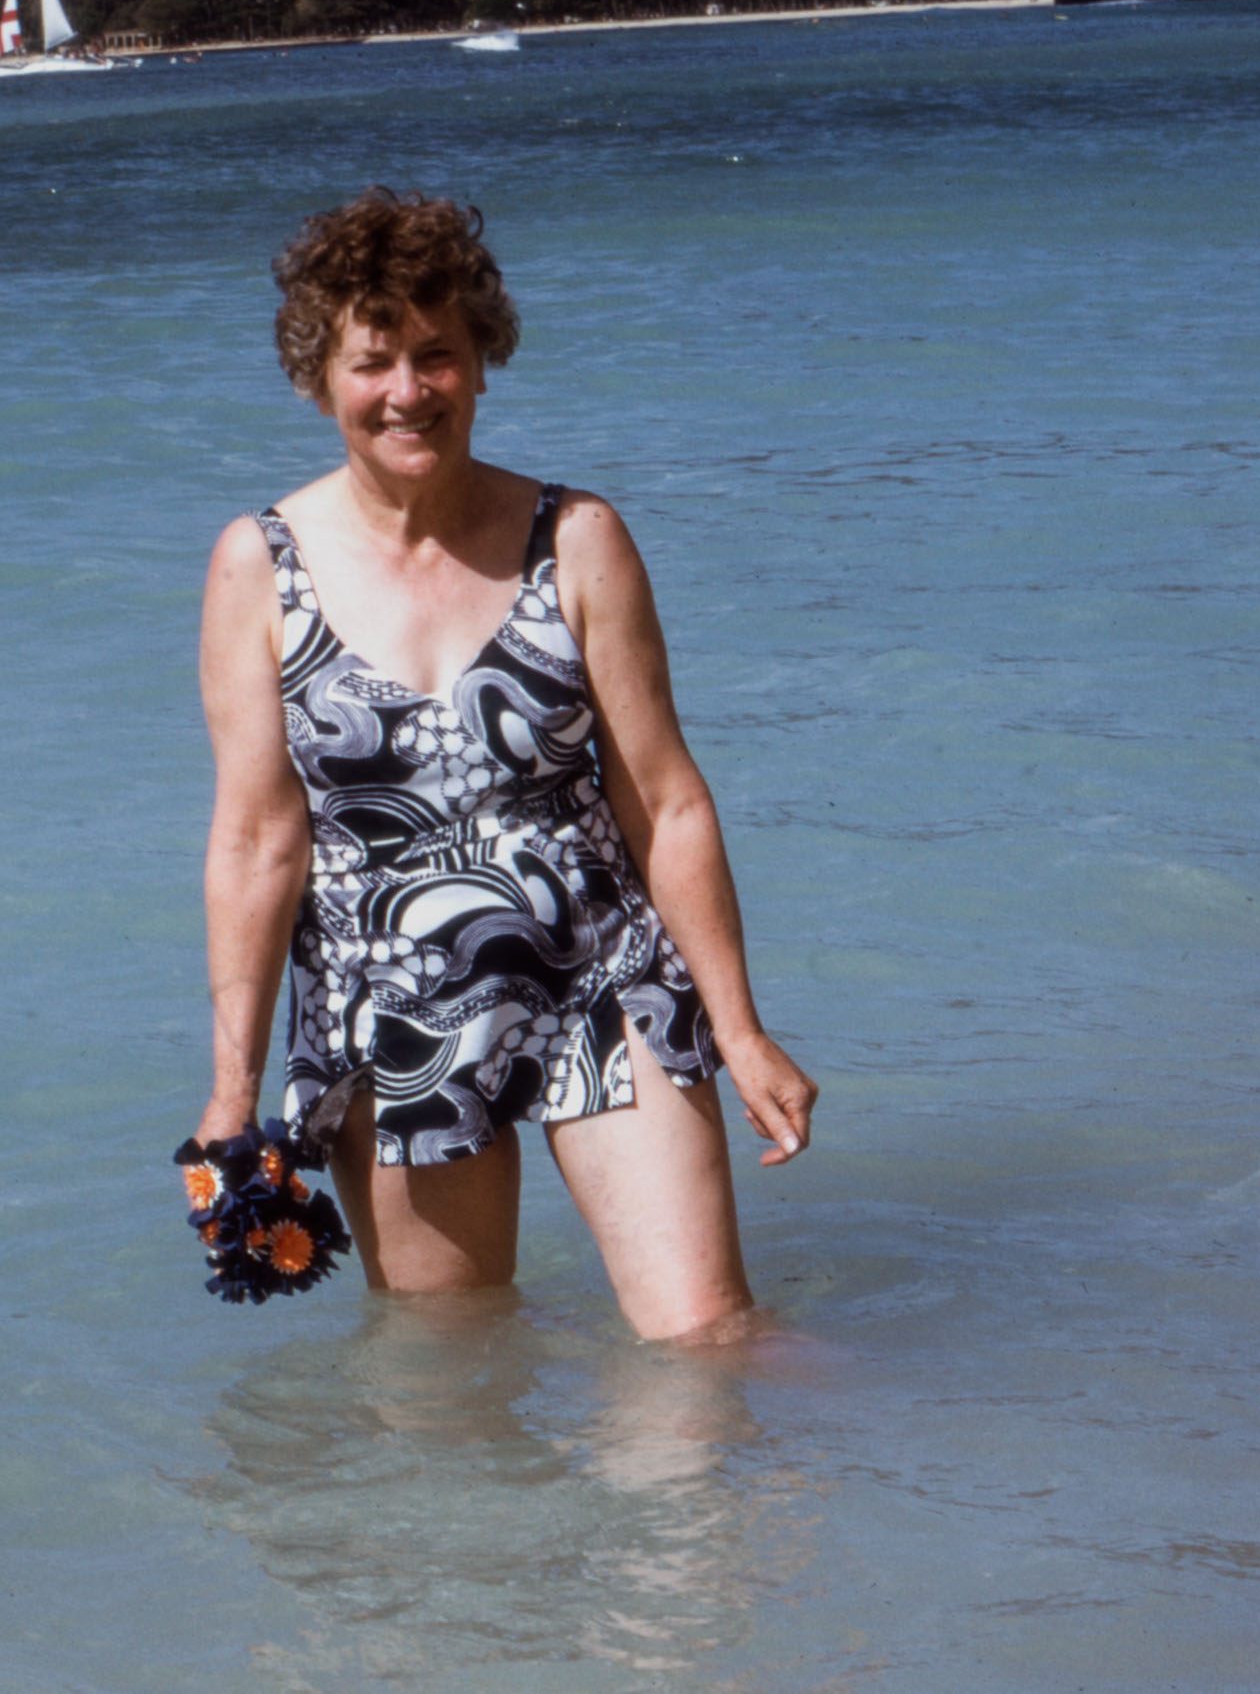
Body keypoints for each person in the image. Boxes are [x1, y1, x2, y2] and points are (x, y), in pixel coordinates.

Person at [194, 189, 817, 1343]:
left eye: (439, 353)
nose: (409, 390)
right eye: (373, 360)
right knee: (448, 1380)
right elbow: (255, 837)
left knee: (706, 1340)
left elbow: (664, 798)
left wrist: (737, 1024)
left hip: (601, 976)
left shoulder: (576, 538)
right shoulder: (257, 567)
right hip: (391, 1007)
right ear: (316, 376)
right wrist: (234, 1087)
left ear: (484, 359)